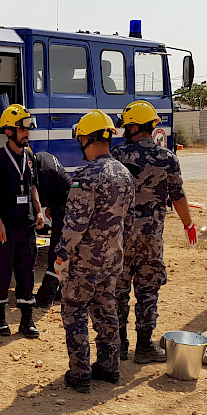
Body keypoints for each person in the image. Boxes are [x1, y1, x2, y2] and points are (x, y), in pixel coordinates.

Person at [111, 100, 198, 364]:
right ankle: (144, 347)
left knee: (119, 289)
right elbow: (178, 196)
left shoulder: (117, 156)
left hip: (121, 237)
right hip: (151, 237)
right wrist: (189, 224)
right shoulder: (167, 159)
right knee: (148, 290)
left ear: (133, 127)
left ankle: (119, 344)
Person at [54, 110, 135, 393]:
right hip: (113, 259)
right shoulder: (125, 173)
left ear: (86, 139)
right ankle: (110, 367)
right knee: (106, 311)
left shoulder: (86, 175)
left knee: (75, 313)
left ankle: (80, 373)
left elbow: (75, 224)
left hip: (84, 262)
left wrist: (62, 254)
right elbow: (130, 219)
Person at [0, 104, 44, 338]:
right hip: (4, 229)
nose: (27, 134)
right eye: (22, 129)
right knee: (1, 274)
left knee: (26, 273)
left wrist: (38, 211)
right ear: (9, 131)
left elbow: (32, 186)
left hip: (26, 226)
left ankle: (26, 321)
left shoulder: (30, 157)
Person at [34, 151, 73, 309]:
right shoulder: (43, 158)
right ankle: (59, 291)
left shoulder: (42, 169)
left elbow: (35, 194)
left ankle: (45, 298)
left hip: (66, 207)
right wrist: (51, 205)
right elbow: (56, 186)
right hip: (64, 202)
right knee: (60, 249)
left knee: (56, 252)